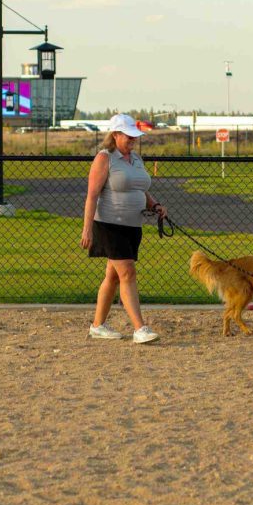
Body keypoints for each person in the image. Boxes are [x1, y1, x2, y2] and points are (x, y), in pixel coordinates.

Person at [80, 113, 166, 344]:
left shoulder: (136, 159)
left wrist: (154, 204)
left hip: (132, 225)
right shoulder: (104, 158)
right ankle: (140, 328)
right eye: (128, 136)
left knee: (113, 276)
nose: (132, 140)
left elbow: (140, 189)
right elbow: (92, 195)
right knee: (127, 272)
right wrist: (87, 229)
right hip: (109, 224)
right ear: (115, 135)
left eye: (134, 137)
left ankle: (97, 325)